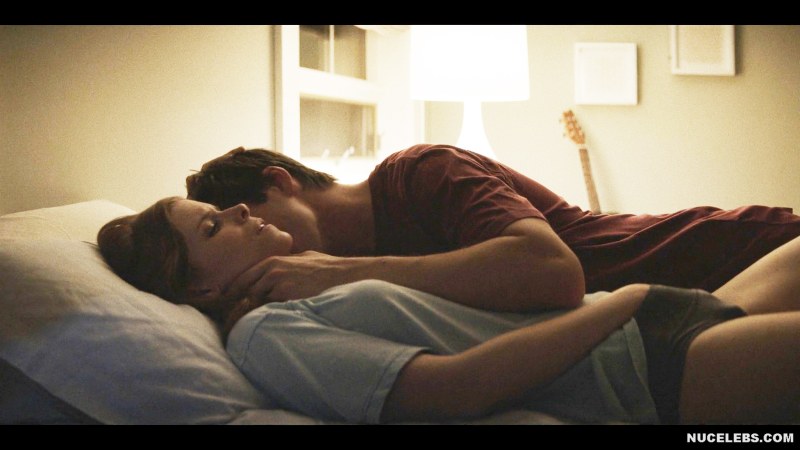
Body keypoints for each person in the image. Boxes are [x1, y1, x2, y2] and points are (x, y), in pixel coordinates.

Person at [97, 197, 800, 424]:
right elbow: (452, 389)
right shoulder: (265, 335)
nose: (236, 210)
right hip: (643, 365)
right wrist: (625, 301)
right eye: (212, 226)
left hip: (654, 321)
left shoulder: (307, 285)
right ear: (199, 291)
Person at [184, 144, 800, 314]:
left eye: (250, 215)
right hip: (688, 316)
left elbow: (554, 274)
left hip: (732, 252)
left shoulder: (420, 172)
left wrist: (340, 273)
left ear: (280, 182)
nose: (260, 239)